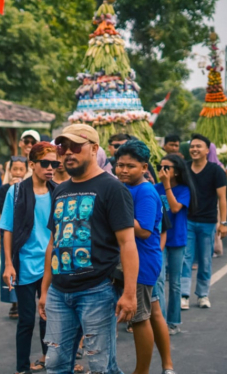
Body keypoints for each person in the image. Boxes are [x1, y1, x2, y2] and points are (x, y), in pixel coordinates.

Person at [38, 124, 139, 374]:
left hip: (97, 292)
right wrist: (45, 290)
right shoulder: (60, 191)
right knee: (55, 365)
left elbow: (127, 243)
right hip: (59, 294)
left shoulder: (113, 188)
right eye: (63, 147)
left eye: (75, 146)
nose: (68, 153)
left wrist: (129, 294)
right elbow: (54, 242)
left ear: (94, 149)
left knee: (100, 367)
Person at [115, 140, 175, 374]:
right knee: (150, 312)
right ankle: (165, 366)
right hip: (131, 261)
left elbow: (143, 229)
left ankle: (141, 371)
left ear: (144, 167)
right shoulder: (126, 187)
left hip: (141, 263)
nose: (123, 170)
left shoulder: (146, 191)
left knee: (139, 318)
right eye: (120, 165)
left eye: (130, 166)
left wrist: (113, 213)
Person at [0, 142, 58, 374]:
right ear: (32, 165)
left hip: (51, 267)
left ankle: (47, 359)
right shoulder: (16, 192)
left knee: (49, 318)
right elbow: (7, 228)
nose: (50, 168)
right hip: (24, 264)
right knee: (26, 320)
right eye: (45, 163)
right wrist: (8, 264)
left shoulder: (58, 191)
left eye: (55, 163)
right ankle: (22, 367)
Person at [182, 134, 227, 310]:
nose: (194, 149)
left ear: (207, 150)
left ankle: (203, 295)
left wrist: (223, 222)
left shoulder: (216, 171)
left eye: (198, 146)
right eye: (192, 146)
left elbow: (222, 198)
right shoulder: (184, 169)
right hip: (187, 221)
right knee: (186, 259)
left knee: (205, 259)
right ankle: (184, 295)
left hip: (208, 222)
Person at [155, 154, 197, 335]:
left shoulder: (183, 189)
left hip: (178, 239)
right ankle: (161, 322)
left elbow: (174, 208)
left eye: (167, 168)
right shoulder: (154, 188)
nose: (162, 171)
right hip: (158, 239)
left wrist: (166, 186)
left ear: (177, 172)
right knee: (158, 280)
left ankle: (173, 321)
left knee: (175, 282)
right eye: (160, 167)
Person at [0, 156, 28, 319]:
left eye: (20, 169)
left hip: (24, 235)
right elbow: (4, 213)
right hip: (9, 235)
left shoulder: (30, 188)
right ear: (10, 171)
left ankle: (24, 301)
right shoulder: (4, 190)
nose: (17, 172)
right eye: (14, 169)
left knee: (23, 268)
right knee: (9, 266)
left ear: (26, 171)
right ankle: (14, 302)